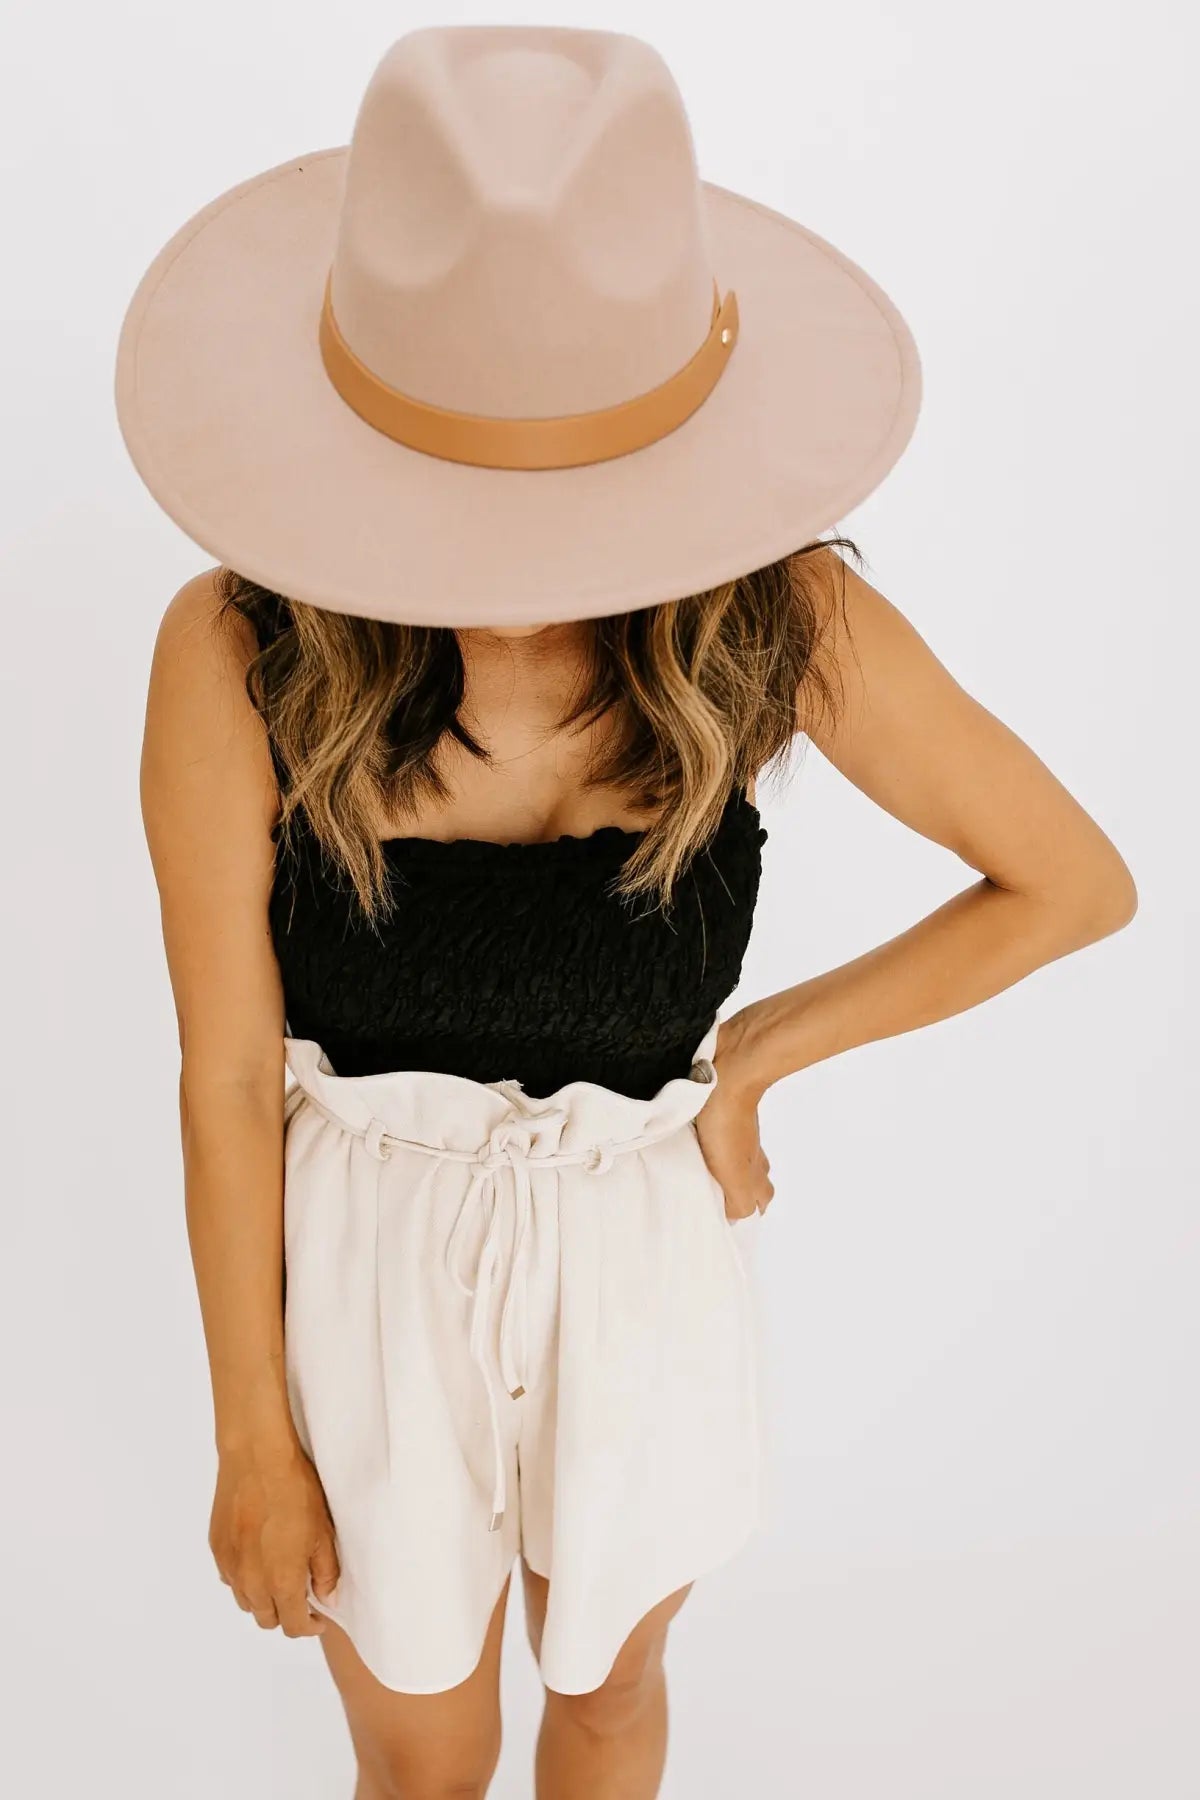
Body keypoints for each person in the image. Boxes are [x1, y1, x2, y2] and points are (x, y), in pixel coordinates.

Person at [118, 25, 1137, 1800]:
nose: (519, 549)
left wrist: (761, 1053)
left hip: (637, 1244)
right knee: (424, 1750)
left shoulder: (778, 619)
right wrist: (251, 1433)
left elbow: (1071, 881)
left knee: (606, 1691)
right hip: (363, 1259)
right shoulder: (239, 645)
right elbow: (223, 1073)